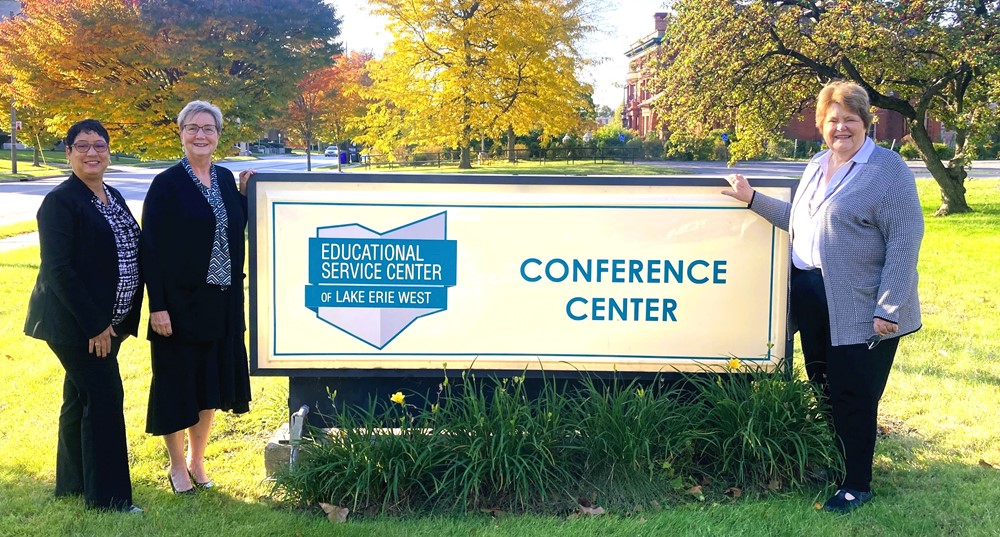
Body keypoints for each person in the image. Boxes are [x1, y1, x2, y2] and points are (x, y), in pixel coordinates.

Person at [723, 81, 923, 513]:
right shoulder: (817, 164)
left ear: (866, 123)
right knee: (825, 387)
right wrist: (753, 199)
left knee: (854, 393)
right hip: (814, 297)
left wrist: (888, 307)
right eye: (833, 120)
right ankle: (839, 463)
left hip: (863, 304)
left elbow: (906, 240)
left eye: (850, 119)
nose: (841, 128)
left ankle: (857, 484)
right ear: (821, 125)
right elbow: (800, 222)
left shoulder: (888, 170)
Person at [24, 119, 143, 513]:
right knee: (105, 398)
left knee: (78, 398)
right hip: (79, 326)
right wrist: (96, 325)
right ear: (69, 152)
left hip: (111, 324)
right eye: (82, 146)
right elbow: (58, 269)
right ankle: (110, 499)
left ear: (109, 151)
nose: (92, 153)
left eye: (99, 145)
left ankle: (73, 484)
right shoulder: (61, 201)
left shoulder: (112, 195)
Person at [141, 100, 254, 494]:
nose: (201, 135)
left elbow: (237, 223)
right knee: (176, 384)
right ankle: (175, 465)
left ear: (219, 135)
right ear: (181, 133)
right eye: (193, 128)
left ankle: (197, 461)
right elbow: (150, 249)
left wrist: (248, 194)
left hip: (221, 303)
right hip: (178, 305)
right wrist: (158, 305)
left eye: (209, 128)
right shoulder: (167, 184)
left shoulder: (224, 179)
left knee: (209, 385)